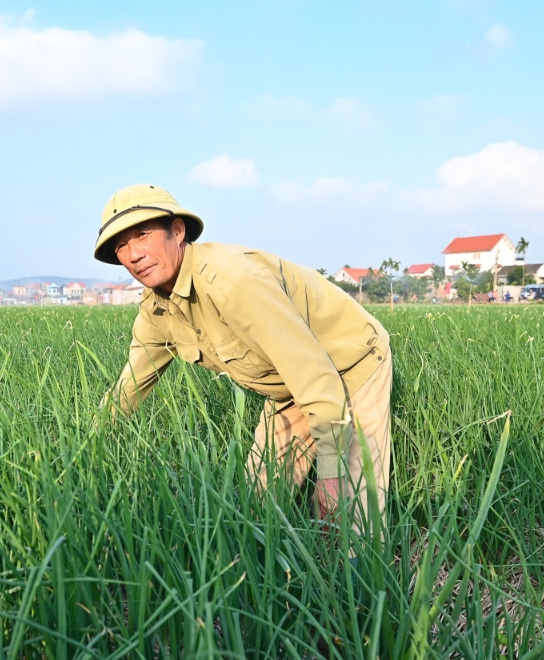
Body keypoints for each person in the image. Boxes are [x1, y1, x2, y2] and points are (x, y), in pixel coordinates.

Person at [97, 184, 392, 527]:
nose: (133, 254)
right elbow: (128, 388)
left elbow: (313, 374)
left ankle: (350, 554)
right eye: (121, 246)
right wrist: (88, 450)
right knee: (256, 509)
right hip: (290, 386)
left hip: (350, 365)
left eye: (143, 235)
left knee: (352, 517)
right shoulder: (157, 311)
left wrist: (331, 473)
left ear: (177, 231)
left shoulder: (232, 281)